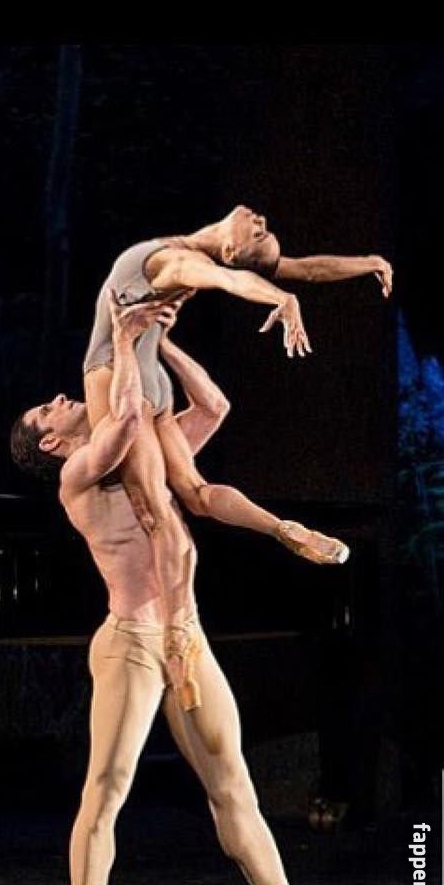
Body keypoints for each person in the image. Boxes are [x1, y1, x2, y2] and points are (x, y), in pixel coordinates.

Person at [10, 297, 343, 885]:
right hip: (131, 641)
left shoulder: (152, 453)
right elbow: (126, 419)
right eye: (49, 409)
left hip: (185, 636)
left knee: (234, 787)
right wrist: (124, 341)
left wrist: (160, 344)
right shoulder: (77, 475)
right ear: (50, 443)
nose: (61, 398)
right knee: (107, 787)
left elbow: (213, 406)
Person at [80, 207, 392, 709]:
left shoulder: (170, 259)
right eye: (263, 230)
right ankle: (282, 528)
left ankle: (178, 649)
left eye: (258, 233)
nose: (261, 219)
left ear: (228, 249)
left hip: (118, 374)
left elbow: (228, 279)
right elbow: (306, 268)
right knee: (196, 493)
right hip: (155, 377)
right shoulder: (185, 255)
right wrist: (368, 262)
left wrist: (281, 297)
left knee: (157, 515)